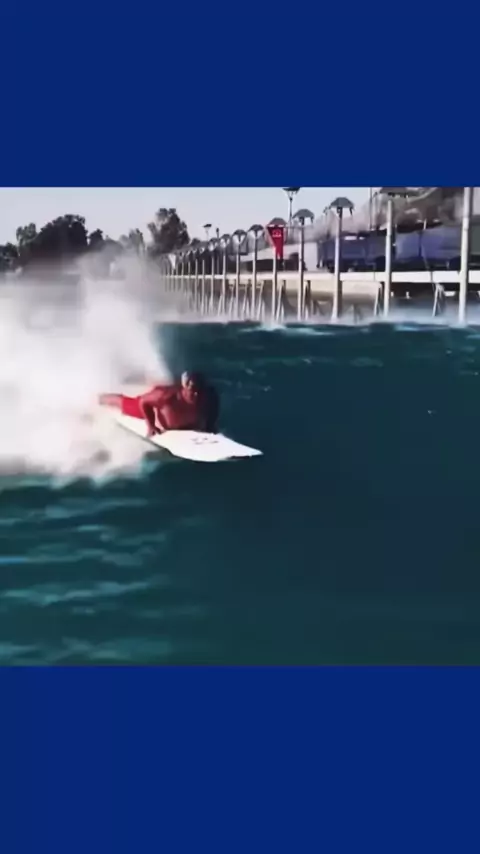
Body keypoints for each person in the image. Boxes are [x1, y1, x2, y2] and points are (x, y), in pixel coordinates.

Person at [99, 371, 219, 437]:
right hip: (156, 408)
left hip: (165, 394)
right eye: (192, 390)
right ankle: (100, 398)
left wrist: (210, 424)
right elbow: (143, 402)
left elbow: (214, 403)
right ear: (185, 388)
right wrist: (151, 426)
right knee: (125, 404)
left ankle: (143, 379)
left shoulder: (207, 395)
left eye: (199, 390)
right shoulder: (167, 397)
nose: (196, 394)